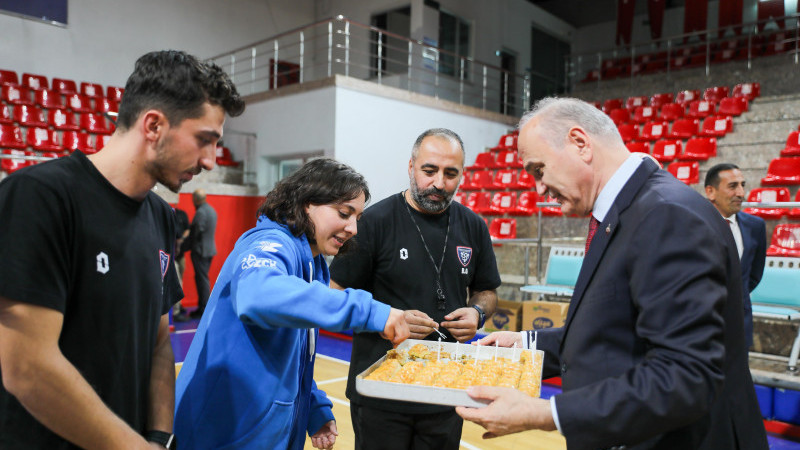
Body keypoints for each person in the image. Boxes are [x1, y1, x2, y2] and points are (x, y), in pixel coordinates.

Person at [456, 97, 768, 449]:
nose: (538, 188)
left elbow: (685, 376)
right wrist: (527, 345)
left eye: (539, 170)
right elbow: (617, 333)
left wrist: (545, 414)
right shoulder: (633, 210)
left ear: (580, 143)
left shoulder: (666, 215)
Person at [0, 50, 244, 449]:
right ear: (153, 125)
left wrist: (159, 436)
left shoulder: (163, 218)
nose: (211, 161)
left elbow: (160, 341)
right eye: (204, 140)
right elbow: (28, 367)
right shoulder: (39, 197)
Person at [174, 158, 410, 450]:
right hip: (223, 434)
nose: (353, 228)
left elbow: (293, 350)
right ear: (306, 203)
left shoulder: (313, 263)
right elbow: (257, 294)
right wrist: (371, 310)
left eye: (357, 218)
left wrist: (312, 406)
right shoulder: (269, 242)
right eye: (344, 213)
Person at [329, 128, 501, 450]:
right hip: (380, 392)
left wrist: (477, 312)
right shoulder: (373, 222)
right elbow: (333, 294)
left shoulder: (473, 226)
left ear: (462, 175)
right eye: (429, 170)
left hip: (445, 391)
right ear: (411, 167)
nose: (439, 183)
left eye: (451, 174)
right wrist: (382, 320)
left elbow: (488, 291)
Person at [705, 163, 767, 348]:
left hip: (740, 324)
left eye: (743, 185)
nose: (741, 193)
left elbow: (754, 275)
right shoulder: (692, 225)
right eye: (733, 186)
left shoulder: (755, 226)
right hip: (701, 326)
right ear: (711, 192)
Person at [184, 188, 217, 319]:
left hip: (200, 251)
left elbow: (195, 232)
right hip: (209, 249)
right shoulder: (211, 210)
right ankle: (203, 307)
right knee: (203, 279)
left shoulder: (201, 212)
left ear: (196, 199)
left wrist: (184, 247)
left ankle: (203, 308)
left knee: (202, 280)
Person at [172, 207, 191, 317]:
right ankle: (176, 311)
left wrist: (181, 240)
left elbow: (187, 230)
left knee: (180, 281)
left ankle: (178, 305)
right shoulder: (168, 215)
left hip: (179, 254)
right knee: (177, 281)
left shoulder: (182, 214)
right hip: (172, 255)